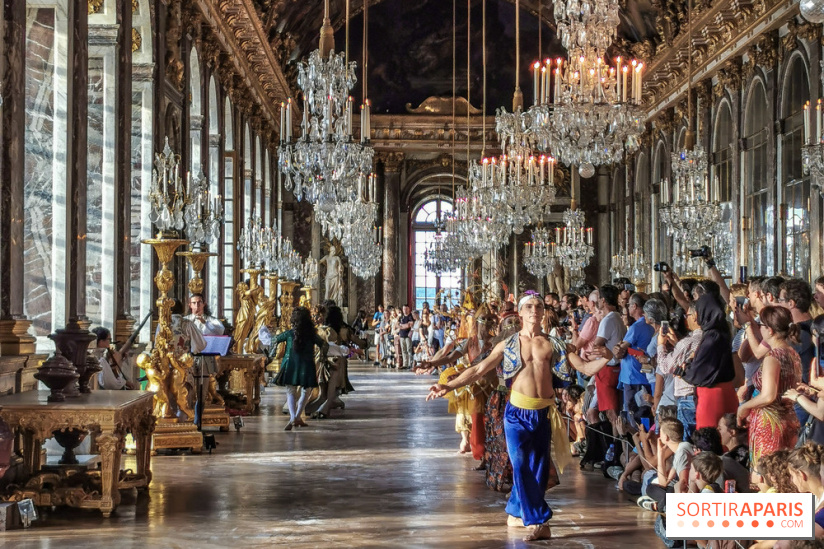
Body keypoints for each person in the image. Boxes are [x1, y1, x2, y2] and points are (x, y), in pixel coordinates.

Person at [427, 294, 562, 541]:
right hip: (511, 408)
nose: (534, 311)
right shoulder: (503, 345)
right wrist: (448, 385)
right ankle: (538, 520)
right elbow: (478, 368)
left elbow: (576, 366)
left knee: (536, 466)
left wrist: (607, 357)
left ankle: (515, 509)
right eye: (528, 307)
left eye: (539, 307)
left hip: (540, 411)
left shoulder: (551, 343)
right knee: (518, 464)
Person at [740, 305, 802, 465]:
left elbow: (768, 395)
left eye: (761, 325)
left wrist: (744, 407)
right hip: (788, 419)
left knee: (767, 475)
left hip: (770, 423)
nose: (759, 328)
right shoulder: (792, 354)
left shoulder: (773, 357)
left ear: (770, 331)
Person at [684, 294, 741, 431]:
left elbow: (699, 372)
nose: (694, 317)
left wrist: (685, 369)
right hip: (726, 391)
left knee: (710, 437)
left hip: (711, 396)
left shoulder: (712, 336)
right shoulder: (721, 333)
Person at [274, 307, 329, 430]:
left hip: (290, 365)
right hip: (307, 365)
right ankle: (297, 417)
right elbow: (324, 345)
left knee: (290, 392)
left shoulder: (289, 334)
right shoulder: (312, 335)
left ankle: (293, 417)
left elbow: (274, 340)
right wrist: (322, 358)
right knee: (306, 392)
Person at [397, 305, 414, 370]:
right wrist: (402, 326)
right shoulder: (401, 317)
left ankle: (410, 364)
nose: (404, 310)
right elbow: (396, 324)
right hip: (401, 335)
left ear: (408, 309)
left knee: (409, 350)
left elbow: (409, 325)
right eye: (403, 309)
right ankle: (405, 364)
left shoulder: (410, 317)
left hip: (408, 336)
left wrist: (401, 326)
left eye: (406, 309)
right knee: (403, 350)